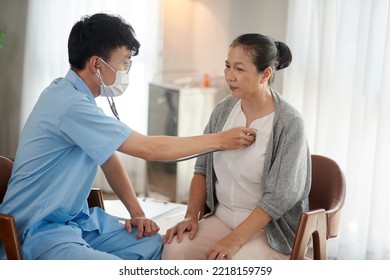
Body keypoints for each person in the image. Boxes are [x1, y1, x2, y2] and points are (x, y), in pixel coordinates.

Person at [0, 13, 256, 260]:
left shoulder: (77, 97)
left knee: (157, 247)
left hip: (76, 220)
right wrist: (220, 140)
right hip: (38, 231)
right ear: (96, 63)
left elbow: (108, 157)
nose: (126, 70)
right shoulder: (70, 105)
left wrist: (137, 213)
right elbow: (149, 149)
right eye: (123, 63)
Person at [161, 33, 311, 260]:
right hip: (222, 218)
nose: (230, 76)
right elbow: (201, 169)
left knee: (232, 264)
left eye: (240, 69)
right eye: (227, 66)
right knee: (175, 248)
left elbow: (279, 198)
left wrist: (234, 240)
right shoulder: (224, 110)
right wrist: (191, 217)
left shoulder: (289, 123)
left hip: (267, 230)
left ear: (266, 74)